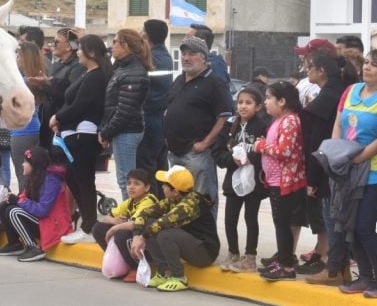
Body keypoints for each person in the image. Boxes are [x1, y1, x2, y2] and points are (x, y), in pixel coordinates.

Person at [334, 47, 377, 298]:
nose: (367, 67)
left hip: (375, 173)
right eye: (368, 62)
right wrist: (338, 154)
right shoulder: (350, 91)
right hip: (348, 169)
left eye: (375, 64)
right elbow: (338, 125)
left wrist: (356, 159)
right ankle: (364, 277)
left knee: (364, 227)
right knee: (350, 227)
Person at [302, 49, 357, 285]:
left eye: (309, 66)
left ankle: (334, 268)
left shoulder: (327, 99)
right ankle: (339, 267)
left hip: (328, 168)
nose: (306, 70)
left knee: (332, 218)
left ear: (321, 70)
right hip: (340, 163)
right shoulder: (340, 92)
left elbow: (317, 144)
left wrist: (312, 179)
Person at [163, 36, 233, 217]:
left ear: (203, 57)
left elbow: (224, 116)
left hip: (196, 153)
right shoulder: (179, 80)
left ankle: (206, 240)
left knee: (203, 197)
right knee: (178, 197)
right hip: (175, 151)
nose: (186, 58)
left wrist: (205, 143)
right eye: (184, 53)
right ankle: (185, 234)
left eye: (191, 54)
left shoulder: (214, 82)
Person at [51, 34, 111, 244]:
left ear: (92, 52)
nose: (77, 52)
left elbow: (81, 105)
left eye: (81, 49)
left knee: (84, 180)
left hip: (83, 134)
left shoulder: (97, 77)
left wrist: (58, 117)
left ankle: (89, 226)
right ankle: (88, 223)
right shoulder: (88, 74)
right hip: (71, 134)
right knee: (73, 177)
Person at [129, 165, 219, 293]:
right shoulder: (173, 199)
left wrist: (143, 237)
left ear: (175, 191)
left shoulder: (190, 204)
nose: (162, 187)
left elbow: (164, 222)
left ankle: (179, 277)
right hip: (190, 245)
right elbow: (145, 213)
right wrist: (136, 235)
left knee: (164, 233)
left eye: (165, 185)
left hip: (205, 252)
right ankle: (163, 273)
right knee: (149, 222)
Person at [254, 81, 306, 281]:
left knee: (283, 224)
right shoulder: (278, 120)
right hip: (276, 181)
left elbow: (284, 151)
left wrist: (261, 146)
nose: (266, 102)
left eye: (268, 98)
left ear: (282, 101)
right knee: (280, 223)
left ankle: (286, 266)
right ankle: (283, 260)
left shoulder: (290, 121)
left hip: (286, 182)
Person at [211, 87, 268, 273]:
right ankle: (233, 253)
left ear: (258, 106)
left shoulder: (262, 126)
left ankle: (250, 256)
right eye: (240, 102)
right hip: (233, 182)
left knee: (251, 218)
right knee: (230, 219)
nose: (243, 106)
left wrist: (252, 158)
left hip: (254, 182)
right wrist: (232, 160)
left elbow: (266, 153)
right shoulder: (229, 127)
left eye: (248, 103)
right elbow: (218, 153)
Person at [99, 29, 151, 200]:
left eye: (115, 42)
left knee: (128, 181)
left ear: (126, 46)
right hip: (122, 130)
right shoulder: (123, 68)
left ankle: (130, 219)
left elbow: (125, 110)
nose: (111, 46)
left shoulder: (134, 71)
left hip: (127, 131)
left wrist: (106, 131)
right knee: (126, 180)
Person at [0, 147, 71, 262]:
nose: (22, 165)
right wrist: (13, 198)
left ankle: (33, 248)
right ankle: (14, 244)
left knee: (14, 211)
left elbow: (43, 210)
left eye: (25, 162)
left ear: (34, 165)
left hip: (54, 225)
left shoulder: (51, 181)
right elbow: (24, 198)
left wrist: (19, 201)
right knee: (5, 206)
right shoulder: (35, 178)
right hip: (43, 221)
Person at [91, 168, 158, 281]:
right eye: (129, 183)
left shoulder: (149, 200)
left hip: (148, 242)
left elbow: (136, 224)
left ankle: (136, 267)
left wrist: (114, 228)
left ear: (147, 187)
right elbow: (106, 217)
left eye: (137, 184)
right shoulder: (130, 201)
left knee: (121, 234)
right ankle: (120, 261)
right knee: (97, 228)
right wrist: (114, 221)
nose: (131, 187)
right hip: (134, 238)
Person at [30, 28, 85, 150]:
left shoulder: (77, 67)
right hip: (48, 122)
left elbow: (71, 95)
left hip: (64, 124)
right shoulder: (57, 65)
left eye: (56, 42)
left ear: (68, 46)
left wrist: (47, 84)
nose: (52, 45)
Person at [138, 19, 174, 196]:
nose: (139, 33)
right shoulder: (165, 57)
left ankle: (151, 210)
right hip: (159, 121)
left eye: (142, 30)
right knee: (160, 168)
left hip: (150, 120)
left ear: (147, 35)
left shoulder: (151, 59)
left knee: (147, 169)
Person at [10, 42, 44, 191]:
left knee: (22, 173)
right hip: (35, 128)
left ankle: (24, 206)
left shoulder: (23, 81)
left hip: (22, 132)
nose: (15, 58)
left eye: (18, 55)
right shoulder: (37, 78)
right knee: (33, 174)